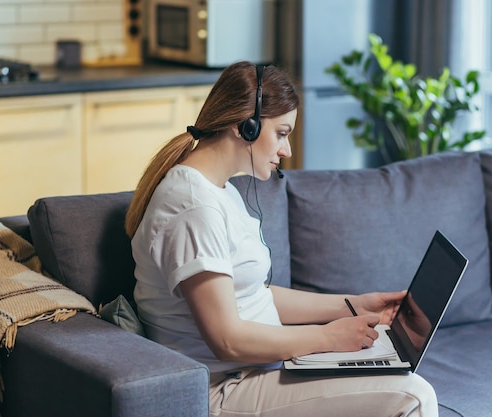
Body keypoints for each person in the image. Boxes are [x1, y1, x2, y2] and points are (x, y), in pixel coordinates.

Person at [125, 61, 439, 417]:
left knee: (400, 376)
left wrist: (356, 304)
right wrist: (326, 338)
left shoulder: (219, 191)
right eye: (281, 133)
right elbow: (227, 339)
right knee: (413, 395)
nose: (287, 150)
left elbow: (253, 295)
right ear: (245, 125)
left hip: (258, 371)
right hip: (225, 388)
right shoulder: (193, 207)